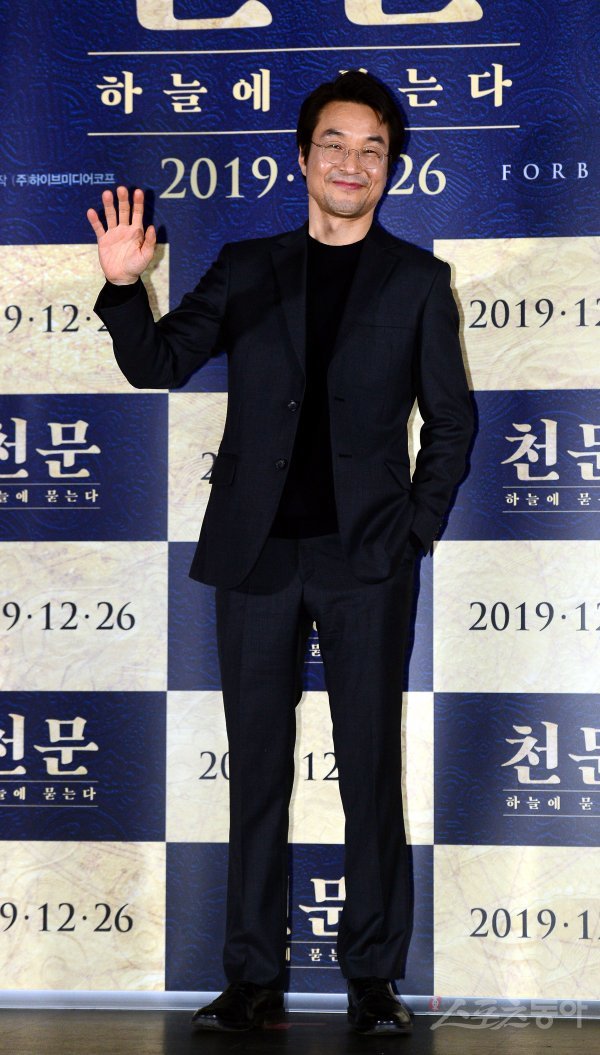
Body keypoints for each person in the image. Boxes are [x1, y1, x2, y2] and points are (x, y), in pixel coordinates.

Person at [88, 70, 473, 1037]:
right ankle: (253, 977)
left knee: (370, 771)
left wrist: (412, 531)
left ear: (389, 169)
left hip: (366, 561)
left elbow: (453, 423)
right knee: (256, 771)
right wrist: (125, 286)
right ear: (303, 158)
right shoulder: (248, 266)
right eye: (334, 144)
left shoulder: (418, 281)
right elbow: (157, 363)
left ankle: (372, 977)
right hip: (255, 555)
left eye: (372, 149)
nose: (352, 162)